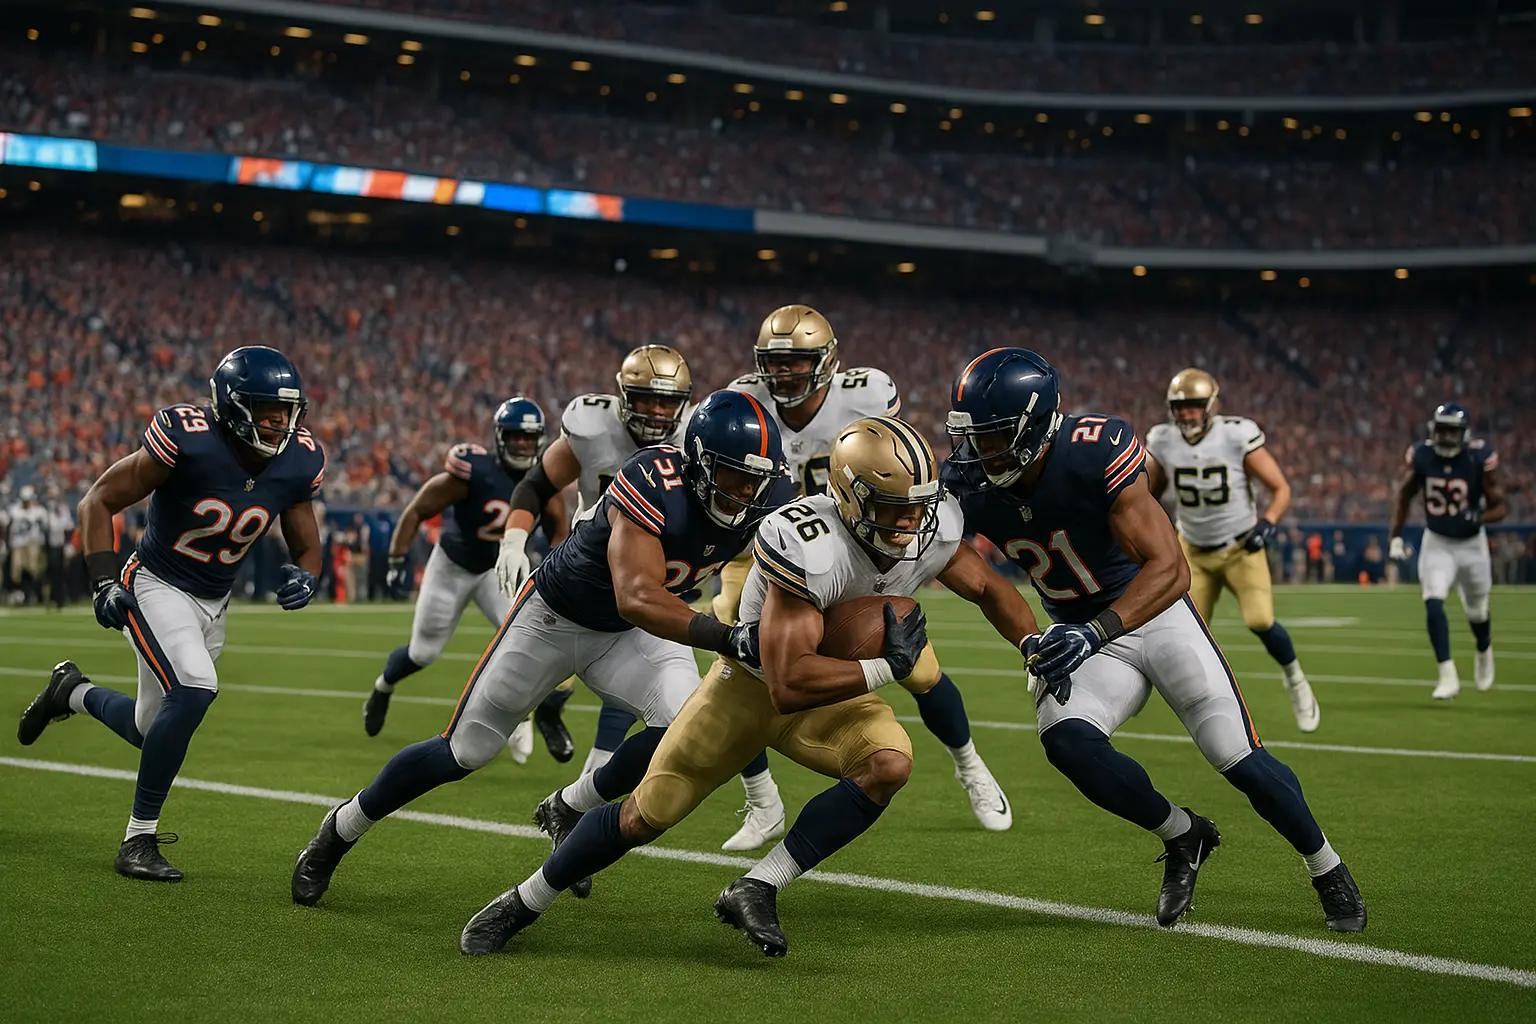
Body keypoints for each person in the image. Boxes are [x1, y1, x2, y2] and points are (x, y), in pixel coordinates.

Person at [456, 416, 1040, 957]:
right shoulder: (811, 543)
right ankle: (525, 900)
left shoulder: (929, 526)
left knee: (888, 764)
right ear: (851, 497)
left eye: (915, 507)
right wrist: (888, 668)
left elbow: (989, 588)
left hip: (833, 689)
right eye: (892, 509)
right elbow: (787, 684)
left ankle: (759, 886)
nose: (910, 523)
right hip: (751, 688)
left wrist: (1031, 646)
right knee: (642, 818)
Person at [291, 390, 792, 911]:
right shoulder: (652, 479)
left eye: (757, 478)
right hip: (557, 618)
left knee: (685, 729)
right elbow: (637, 596)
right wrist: (727, 636)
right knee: (464, 751)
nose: (747, 491)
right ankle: (341, 828)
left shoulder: (772, 498)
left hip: (629, 635)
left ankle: (569, 805)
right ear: (698, 464)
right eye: (734, 476)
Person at [943, 347, 1365, 933]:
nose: (978, 453)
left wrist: (1095, 632)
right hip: (1073, 629)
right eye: (973, 437)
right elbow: (983, 582)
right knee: (1069, 746)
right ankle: (1183, 834)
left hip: (1151, 614)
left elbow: (1170, 569)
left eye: (993, 439)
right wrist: (1030, 642)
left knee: (1235, 756)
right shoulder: (968, 485)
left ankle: (1327, 867)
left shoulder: (1093, 452)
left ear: (1037, 428)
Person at [16, 346, 325, 881]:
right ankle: (138, 839)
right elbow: (97, 501)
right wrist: (104, 581)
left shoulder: (298, 458)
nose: (281, 423)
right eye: (267, 411)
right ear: (233, 407)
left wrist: (307, 572)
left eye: (287, 411)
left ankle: (69, 692)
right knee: (195, 688)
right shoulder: (188, 438)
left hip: (213, 599)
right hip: (157, 585)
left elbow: (303, 532)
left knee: (149, 728)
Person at [717, 304, 1012, 845]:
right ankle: (761, 800)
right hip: (769, 550)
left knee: (921, 671)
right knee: (740, 654)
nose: (782, 375)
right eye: (774, 363)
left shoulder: (867, 395)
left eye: (796, 362)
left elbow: (895, 464)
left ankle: (971, 766)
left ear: (827, 362)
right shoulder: (743, 403)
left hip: (857, 546)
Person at [492, 344, 787, 845]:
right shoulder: (592, 427)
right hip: (593, 570)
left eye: (666, 402)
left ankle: (761, 797)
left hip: (670, 574)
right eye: (644, 399)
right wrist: (515, 536)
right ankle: (546, 725)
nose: (655, 412)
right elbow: (537, 483)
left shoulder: (708, 438)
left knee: (690, 704)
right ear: (622, 394)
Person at [362, 398, 573, 764]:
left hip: (497, 570)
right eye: (515, 437)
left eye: (529, 438)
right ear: (499, 438)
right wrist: (397, 559)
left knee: (529, 639)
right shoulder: (474, 472)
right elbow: (417, 510)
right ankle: (383, 686)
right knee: (423, 652)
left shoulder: (544, 478)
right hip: (452, 566)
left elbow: (560, 533)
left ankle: (523, 715)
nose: (522, 444)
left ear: (540, 439)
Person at [1144, 368, 1318, 732]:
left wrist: (1267, 523)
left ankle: (1295, 679)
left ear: (1210, 406)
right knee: (1186, 633)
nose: (1185, 414)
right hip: (1192, 550)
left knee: (1259, 620)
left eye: (1193, 406)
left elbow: (1280, 488)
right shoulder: (1162, 439)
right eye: (1179, 407)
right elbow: (1146, 497)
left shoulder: (1236, 434)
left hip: (1240, 546)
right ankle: (1208, 707)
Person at [1388, 402, 1505, 699]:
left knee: (1477, 611)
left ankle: (1483, 649)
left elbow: (1501, 506)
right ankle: (1447, 673)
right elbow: (1404, 497)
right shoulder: (1423, 456)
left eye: (1453, 432)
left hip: (1471, 545)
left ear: (1463, 434)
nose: (1447, 438)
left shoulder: (1478, 459)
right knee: (1433, 601)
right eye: (1442, 431)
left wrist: (1478, 517)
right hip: (1438, 542)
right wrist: (1396, 537)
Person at [6, 483, 49, 605]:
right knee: (17, 571)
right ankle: (18, 594)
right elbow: (8, 527)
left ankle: (34, 594)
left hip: (33, 543)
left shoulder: (38, 511)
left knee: (34, 571)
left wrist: (43, 543)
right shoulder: (14, 510)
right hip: (18, 543)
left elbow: (45, 528)